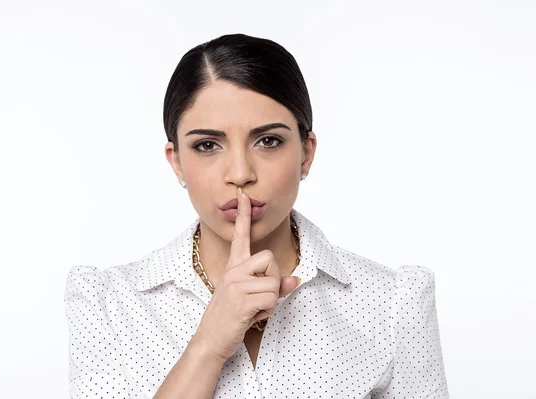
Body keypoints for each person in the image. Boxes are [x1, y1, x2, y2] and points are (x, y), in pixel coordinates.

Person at [64, 33, 449, 399]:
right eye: (207, 145)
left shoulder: (391, 302)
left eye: (269, 141)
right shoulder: (109, 304)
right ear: (177, 162)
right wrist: (208, 346)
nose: (240, 173)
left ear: (305, 153)